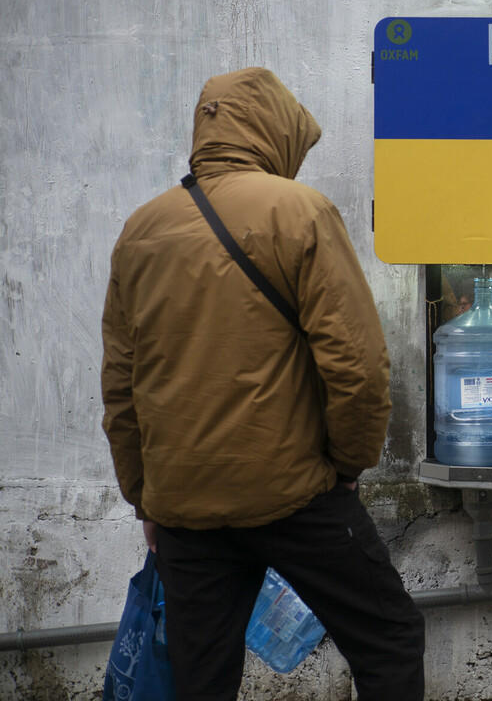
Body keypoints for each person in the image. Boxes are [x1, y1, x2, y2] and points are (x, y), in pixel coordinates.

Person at [101, 68, 426, 700]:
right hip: (294, 495)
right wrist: (350, 463)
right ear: (274, 132)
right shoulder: (299, 211)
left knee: (202, 677)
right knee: (388, 636)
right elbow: (355, 363)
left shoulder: (141, 230)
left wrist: (146, 498)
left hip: (185, 508)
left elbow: (121, 383)